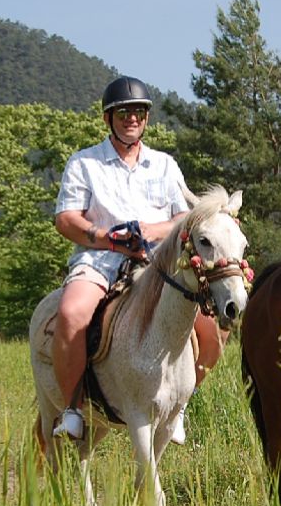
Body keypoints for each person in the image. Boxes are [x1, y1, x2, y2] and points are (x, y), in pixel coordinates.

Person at [50, 75, 225, 443]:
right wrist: (106, 237)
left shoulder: (164, 165)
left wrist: (151, 230)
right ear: (108, 118)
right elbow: (66, 219)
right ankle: (72, 409)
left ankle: (179, 406)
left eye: (139, 112)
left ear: (146, 119)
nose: (132, 118)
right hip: (100, 260)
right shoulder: (84, 163)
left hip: (158, 265)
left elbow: (186, 218)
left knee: (214, 331)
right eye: (124, 112)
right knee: (71, 314)